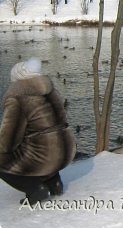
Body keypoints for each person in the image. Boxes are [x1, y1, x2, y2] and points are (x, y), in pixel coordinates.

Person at [0, 58, 76, 205]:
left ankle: (35, 189)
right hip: (67, 150)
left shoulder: (17, 98)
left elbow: (8, 140)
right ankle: (54, 182)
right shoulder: (51, 91)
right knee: (41, 141)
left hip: (45, 156)